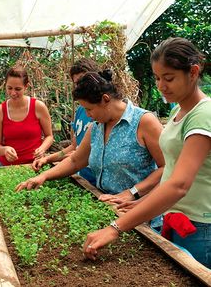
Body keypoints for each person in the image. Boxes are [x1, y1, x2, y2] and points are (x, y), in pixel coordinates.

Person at [82, 37, 211, 269]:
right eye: (158, 78)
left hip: (201, 227)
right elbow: (170, 172)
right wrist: (143, 204)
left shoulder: (203, 115)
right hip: (177, 218)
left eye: (169, 78)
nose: (161, 86)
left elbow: (179, 184)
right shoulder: (177, 113)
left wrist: (116, 227)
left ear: (193, 72)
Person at [16, 69, 165, 229]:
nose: (87, 114)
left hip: (140, 212)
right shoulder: (96, 127)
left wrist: (132, 192)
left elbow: (168, 167)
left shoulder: (143, 122)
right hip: (108, 207)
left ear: (105, 99)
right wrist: (44, 176)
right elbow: (75, 160)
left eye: (89, 109)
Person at [32, 58, 100, 185]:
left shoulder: (103, 115)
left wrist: (79, 157)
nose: (81, 87)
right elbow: (74, 147)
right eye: (77, 83)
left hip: (100, 183)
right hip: (83, 179)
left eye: (84, 81)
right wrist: (47, 159)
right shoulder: (81, 111)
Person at [0, 65, 53, 165]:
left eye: (18, 89)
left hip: (35, 164)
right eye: (9, 88)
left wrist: (42, 149)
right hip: (6, 167)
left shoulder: (39, 107)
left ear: (26, 86)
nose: (13, 93)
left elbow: (49, 136)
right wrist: (5, 150)